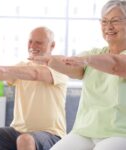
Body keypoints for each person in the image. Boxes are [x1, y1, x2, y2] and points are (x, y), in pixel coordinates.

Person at [30, 0, 126, 150]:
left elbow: (116, 65)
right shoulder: (95, 54)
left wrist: (86, 60)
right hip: (85, 131)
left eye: (115, 21)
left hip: (120, 133)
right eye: (104, 21)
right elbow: (74, 68)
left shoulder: (95, 58)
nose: (108, 27)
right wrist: (51, 61)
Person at [0, 26, 68, 150]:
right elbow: (1, 75)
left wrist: (3, 69)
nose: (32, 46)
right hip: (17, 131)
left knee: (25, 140)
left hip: (51, 134)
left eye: (38, 42)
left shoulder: (60, 67)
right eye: (30, 41)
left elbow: (35, 73)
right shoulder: (22, 67)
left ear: (52, 45)